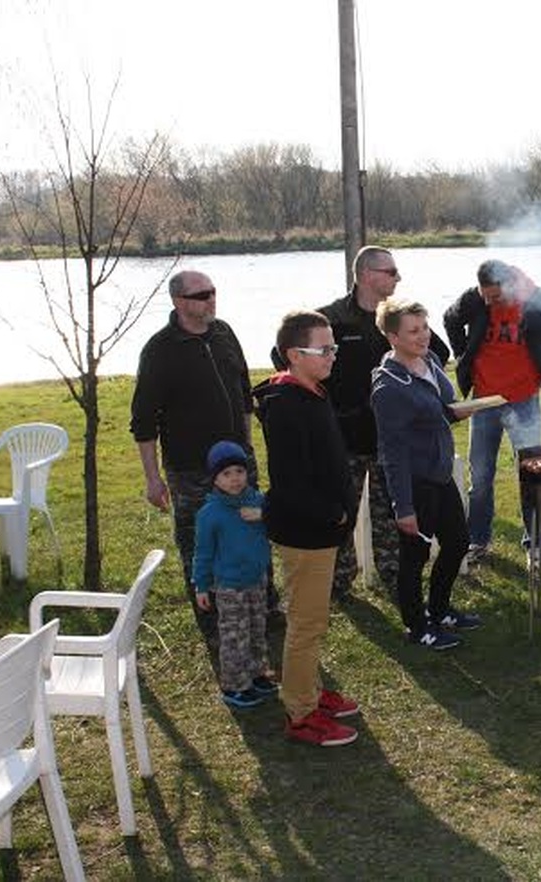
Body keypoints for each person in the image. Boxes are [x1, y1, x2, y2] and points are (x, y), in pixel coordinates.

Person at [130, 269, 261, 675]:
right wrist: (153, 478)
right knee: (200, 545)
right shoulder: (160, 350)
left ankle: (260, 609)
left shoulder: (224, 334)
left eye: (212, 292)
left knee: (250, 532)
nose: (210, 299)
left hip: (238, 461)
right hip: (191, 470)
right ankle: (212, 621)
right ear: (178, 302)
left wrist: (248, 445)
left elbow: (243, 392)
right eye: (201, 295)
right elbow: (143, 420)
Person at [306, 246, 450, 601]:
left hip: (393, 440)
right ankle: (339, 584)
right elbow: (289, 358)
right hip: (345, 438)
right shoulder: (331, 319)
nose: (398, 277)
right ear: (367, 275)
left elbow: (438, 353)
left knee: (390, 513)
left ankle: (395, 580)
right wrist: (327, 405)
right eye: (391, 272)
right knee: (342, 512)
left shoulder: (397, 318)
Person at [253, 311, 360, 747]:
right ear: (294, 355)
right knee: (306, 622)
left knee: (313, 618)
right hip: (306, 531)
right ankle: (300, 712)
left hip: (321, 529)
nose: (333, 355)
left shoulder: (312, 392)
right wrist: (333, 515)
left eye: (333, 347)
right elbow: (290, 482)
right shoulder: (286, 406)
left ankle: (310, 690)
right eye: (324, 349)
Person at [443, 259, 541, 562]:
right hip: (483, 402)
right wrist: (464, 356)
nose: (489, 302)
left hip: (523, 399)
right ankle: (478, 541)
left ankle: (535, 542)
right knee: (480, 477)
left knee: (531, 473)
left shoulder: (538, 300)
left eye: (495, 297)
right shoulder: (474, 299)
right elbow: (450, 319)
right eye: (485, 296)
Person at [372, 298, 479, 650]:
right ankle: (417, 627)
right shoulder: (388, 389)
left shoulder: (429, 359)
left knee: (458, 542)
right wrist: (403, 507)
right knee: (414, 557)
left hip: (440, 473)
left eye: (425, 327)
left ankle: (440, 609)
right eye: (413, 331)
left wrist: (462, 410)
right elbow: (392, 453)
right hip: (414, 482)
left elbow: (440, 409)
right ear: (393, 337)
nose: (423, 336)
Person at [192, 440, 277, 710]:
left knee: (256, 629)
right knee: (234, 636)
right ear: (215, 479)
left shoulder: (258, 502)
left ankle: (257, 673)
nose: (234, 479)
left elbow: (276, 524)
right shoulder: (210, 514)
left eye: (239, 471)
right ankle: (235, 686)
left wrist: (264, 515)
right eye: (226, 474)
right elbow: (203, 553)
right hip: (230, 587)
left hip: (257, 580)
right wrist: (201, 585)